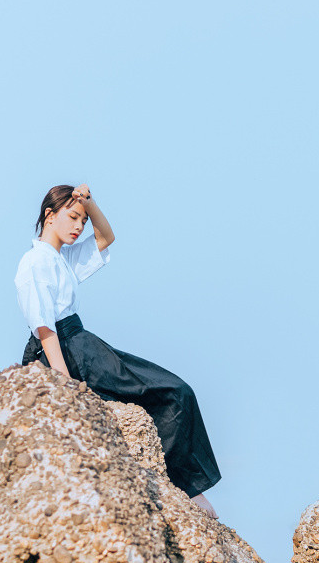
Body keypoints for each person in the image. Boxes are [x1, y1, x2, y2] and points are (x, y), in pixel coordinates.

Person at [14, 183, 221, 518]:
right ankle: (179, 487)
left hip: (83, 344)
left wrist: (89, 203)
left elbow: (106, 237)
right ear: (49, 217)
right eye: (72, 217)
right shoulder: (34, 262)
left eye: (81, 219)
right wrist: (65, 384)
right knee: (171, 393)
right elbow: (43, 328)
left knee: (178, 393)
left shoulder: (62, 257)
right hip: (62, 350)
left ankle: (182, 486)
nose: (79, 225)